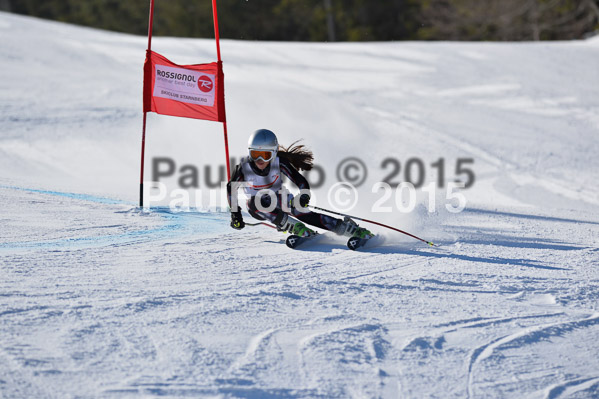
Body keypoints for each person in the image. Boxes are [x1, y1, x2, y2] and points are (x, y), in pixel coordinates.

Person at [227, 129, 373, 239]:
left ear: (273, 153)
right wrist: (235, 214)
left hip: (279, 199)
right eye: (254, 154)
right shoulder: (243, 167)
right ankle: (294, 227)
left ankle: (347, 229)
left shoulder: (280, 163)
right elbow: (231, 188)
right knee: (255, 202)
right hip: (258, 208)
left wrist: (302, 197)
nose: (259, 160)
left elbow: (300, 181)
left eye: (265, 155)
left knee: (299, 210)